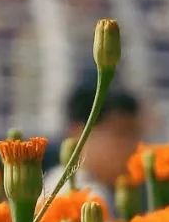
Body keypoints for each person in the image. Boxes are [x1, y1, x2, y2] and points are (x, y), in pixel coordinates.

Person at [44, 83, 143, 213]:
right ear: (78, 132)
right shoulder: (87, 196)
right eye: (122, 133)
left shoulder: (102, 190)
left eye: (136, 134)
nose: (135, 146)